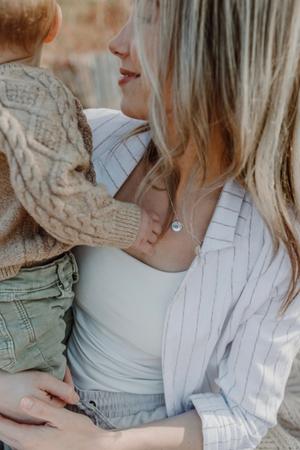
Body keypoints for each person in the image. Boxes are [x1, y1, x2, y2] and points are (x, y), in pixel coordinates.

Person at [0, 0, 300, 449]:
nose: (115, 44)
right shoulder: (85, 146)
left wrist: (104, 444)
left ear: (216, 49)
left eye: (146, 19)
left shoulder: (273, 241)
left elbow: (243, 414)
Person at [0, 0, 161, 411]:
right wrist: (131, 227)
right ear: (54, 25)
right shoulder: (33, 94)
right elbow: (59, 197)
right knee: (38, 409)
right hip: (24, 289)